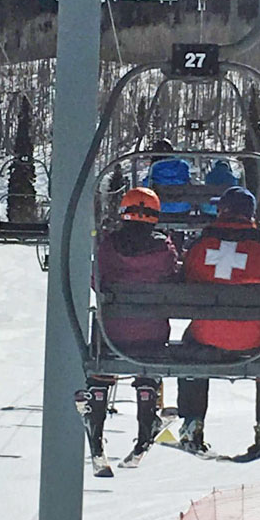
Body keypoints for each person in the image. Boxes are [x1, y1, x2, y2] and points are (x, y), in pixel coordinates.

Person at [177, 186, 260, 458]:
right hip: (255, 341)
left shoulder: (201, 246)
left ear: (222, 210)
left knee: (189, 345)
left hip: (207, 337)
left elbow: (184, 279)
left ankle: (192, 423)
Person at [85, 187, 179, 466]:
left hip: (111, 333)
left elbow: (95, 280)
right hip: (151, 334)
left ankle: (96, 427)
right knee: (147, 362)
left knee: (102, 361)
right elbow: (173, 279)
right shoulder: (164, 249)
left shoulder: (107, 246)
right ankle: (145, 424)